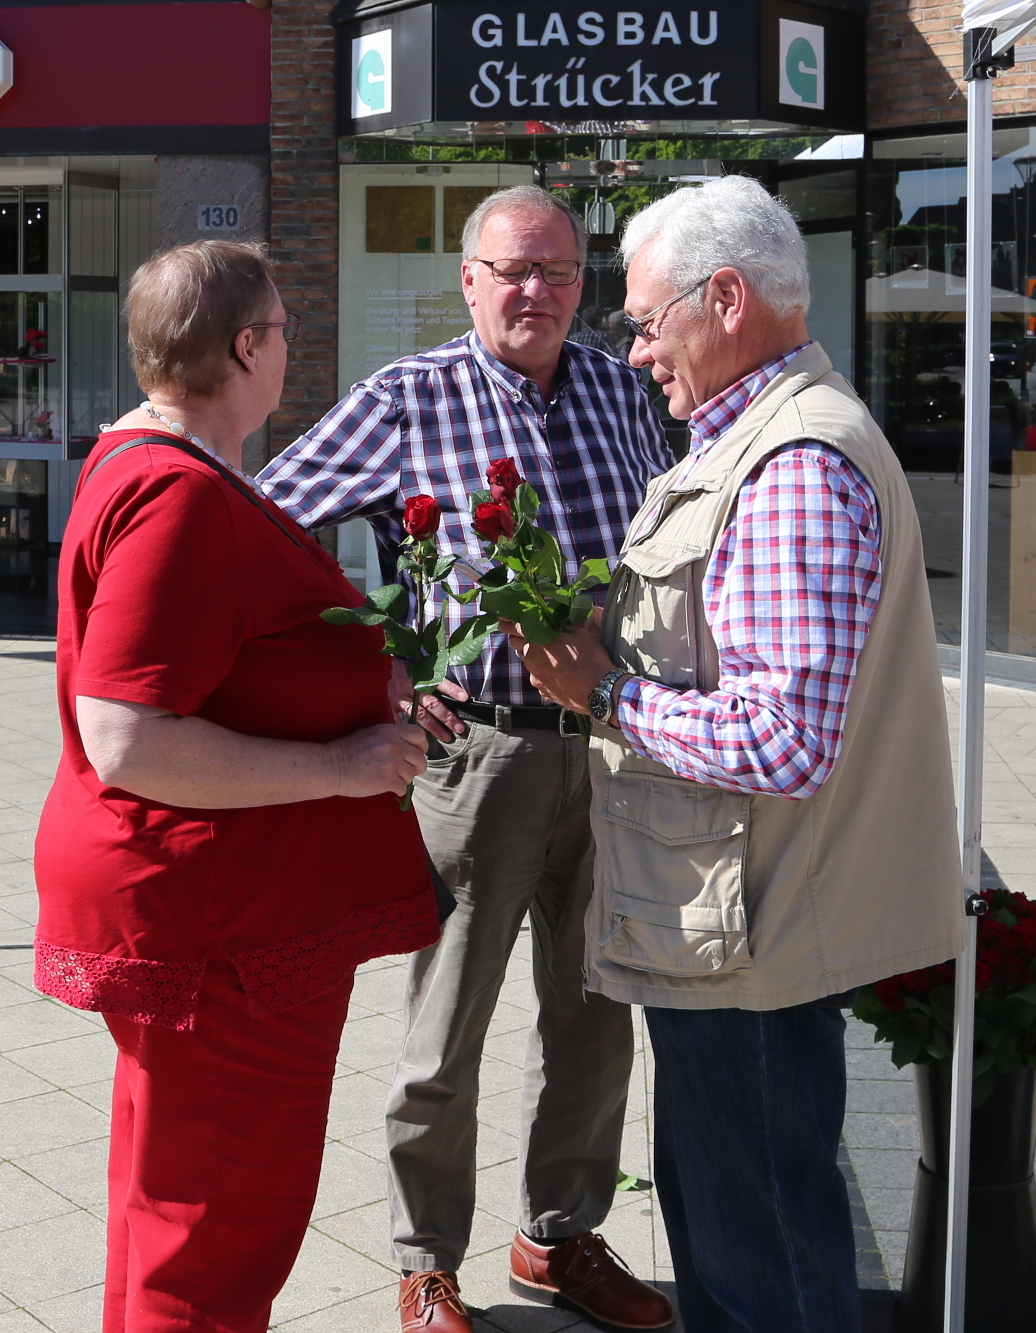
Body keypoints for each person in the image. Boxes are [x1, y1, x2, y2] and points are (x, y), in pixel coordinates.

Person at [508, 176, 964, 1333]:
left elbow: (782, 735)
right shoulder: (763, 436)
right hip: (731, 917)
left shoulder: (790, 463)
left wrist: (602, 690)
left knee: (761, 1267)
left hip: (752, 928)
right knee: (736, 1240)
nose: (634, 349)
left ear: (724, 300)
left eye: (644, 320)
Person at [258, 186, 675, 1333]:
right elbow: (261, 527)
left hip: (610, 752)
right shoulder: (407, 397)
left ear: (581, 283)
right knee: (446, 1030)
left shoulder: (621, 389)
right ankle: (424, 1256)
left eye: (555, 271)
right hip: (474, 759)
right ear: (468, 280)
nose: (533, 291)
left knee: (594, 1018)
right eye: (512, 270)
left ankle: (558, 1238)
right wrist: (378, 667)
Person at [31, 240, 440, 1333]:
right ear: (247, 345)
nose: (289, 348)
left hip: (217, 919)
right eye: (284, 330)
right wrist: (341, 764)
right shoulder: (178, 495)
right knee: (216, 1221)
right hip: (219, 931)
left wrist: (355, 681)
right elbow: (126, 734)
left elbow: (226, 665)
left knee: (173, 1205)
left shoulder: (167, 470)